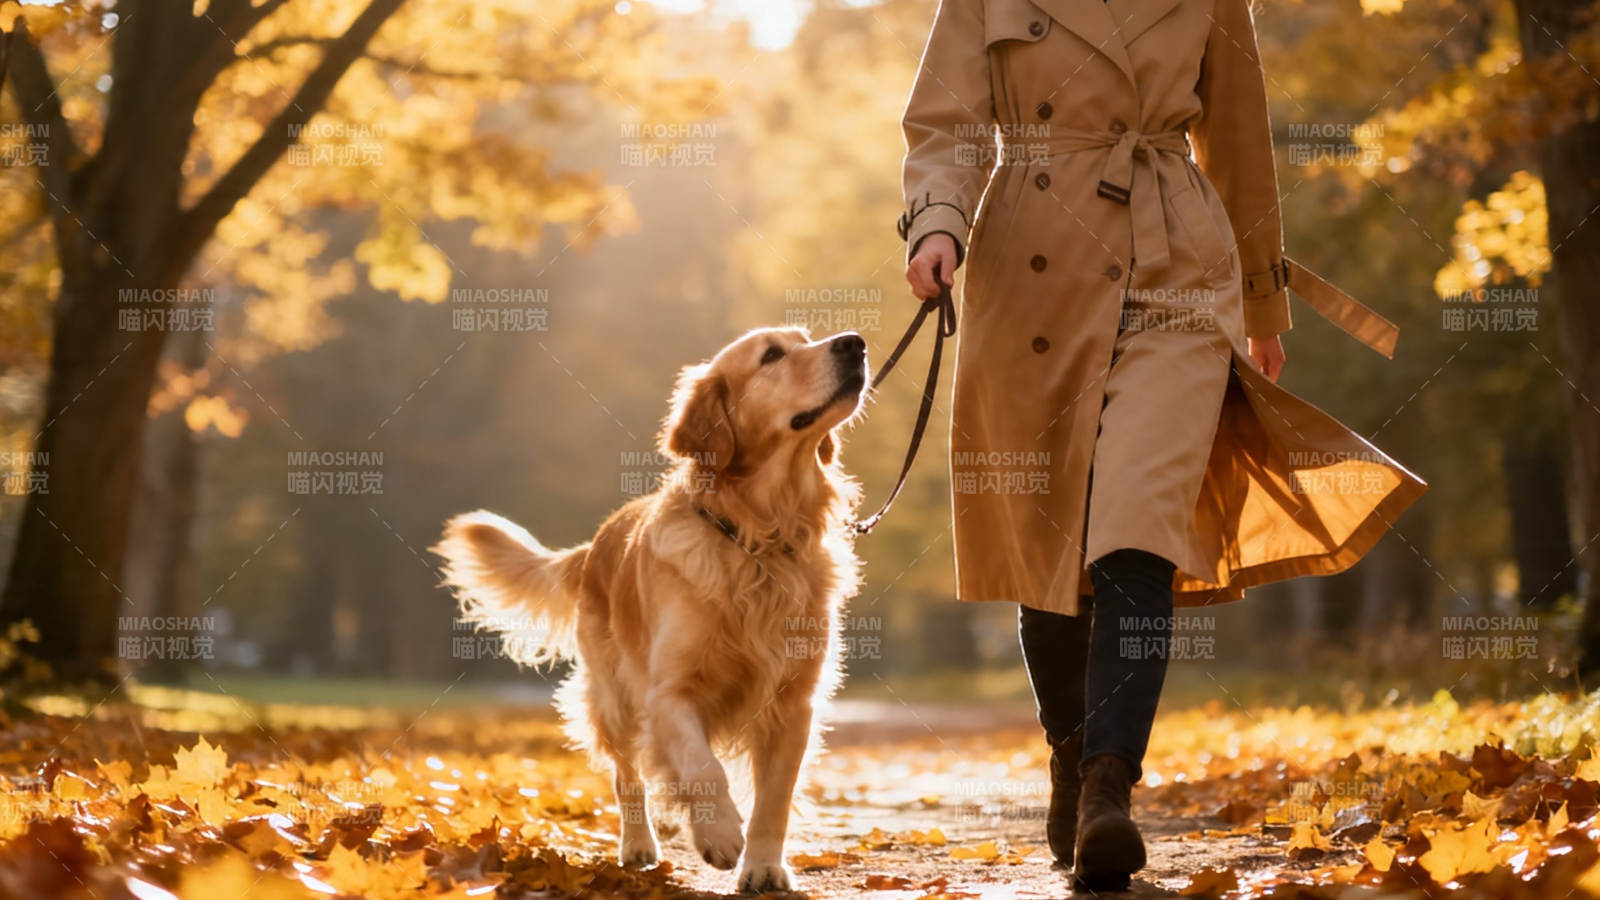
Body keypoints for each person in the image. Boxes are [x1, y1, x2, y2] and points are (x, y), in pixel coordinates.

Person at [897, 0, 1426, 890]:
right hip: (1031, 263)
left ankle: (1110, 784)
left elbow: (1241, 140)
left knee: (1138, 529)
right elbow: (944, 117)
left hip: (1176, 267)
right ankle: (1071, 749)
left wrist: (1262, 299)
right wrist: (937, 220)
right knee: (1049, 541)